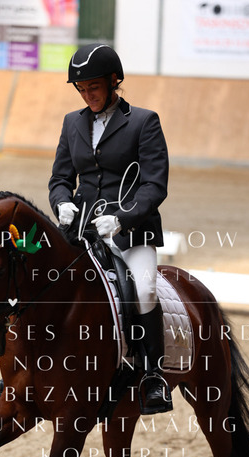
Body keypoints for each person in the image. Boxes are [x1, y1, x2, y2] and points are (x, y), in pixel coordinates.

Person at [49, 42, 171, 414]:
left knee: (144, 289)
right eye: (81, 90)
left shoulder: (144, 122)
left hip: (132, 231)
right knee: (40, 276)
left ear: (113, 81)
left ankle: (153, 375)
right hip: (82, 228)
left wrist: (122, 217)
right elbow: (60, 178)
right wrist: (62, 202)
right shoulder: (72, 122)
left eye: (94, 88)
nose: (88, 96)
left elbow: (154, 185)